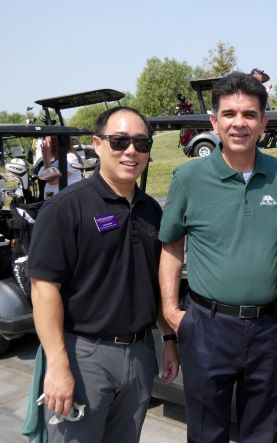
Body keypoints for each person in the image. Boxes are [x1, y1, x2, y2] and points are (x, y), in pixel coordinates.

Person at [158, 72, 277, 443]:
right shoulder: (188, 178)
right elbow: (171, 247)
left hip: (269, 328)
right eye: (229, 114)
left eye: (249, 114)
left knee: (263, 433)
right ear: (214, 121)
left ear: (263, 122)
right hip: (207, 327)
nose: (240, 123)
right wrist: (171, 311)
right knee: (206, 433)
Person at [28, 106, 179, 443]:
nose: (131, 151)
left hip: (139, 355)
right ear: (97, 144)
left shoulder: (150, 210)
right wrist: (57, 364)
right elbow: (43, 288)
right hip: (84, 356)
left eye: (141, 143)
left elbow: (155, 283)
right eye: (119, 141)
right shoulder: (66, 208)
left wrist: (168, 339)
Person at [37, 135, 83, 200]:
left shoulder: (71, 158)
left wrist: (46, 156)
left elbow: (52, 180)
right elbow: (41, 176)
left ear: (55, 142)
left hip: (67, 201)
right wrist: (46, 159)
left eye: (47, 142)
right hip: (54, 201)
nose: (44, 144)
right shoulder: (52, 161)